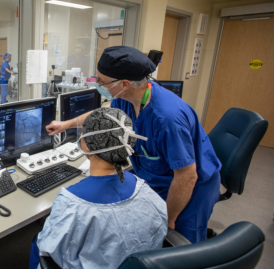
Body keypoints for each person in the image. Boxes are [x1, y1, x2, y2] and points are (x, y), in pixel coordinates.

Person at [46, 46, 222, 243]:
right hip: (159, 178)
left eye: (102, 81)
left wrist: (169, 219)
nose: (98, 84)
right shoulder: (125, 98)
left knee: (179, 243)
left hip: (192, 187)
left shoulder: (167, 119)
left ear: (125, 83)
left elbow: (187, 176)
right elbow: (101, 115)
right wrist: (66, 125)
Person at [29, 108, 168, 269]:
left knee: (37, 244)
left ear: (87, 145)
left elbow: (50, 249)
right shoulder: (146, 191)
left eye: (82, 133)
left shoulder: (73, 202)